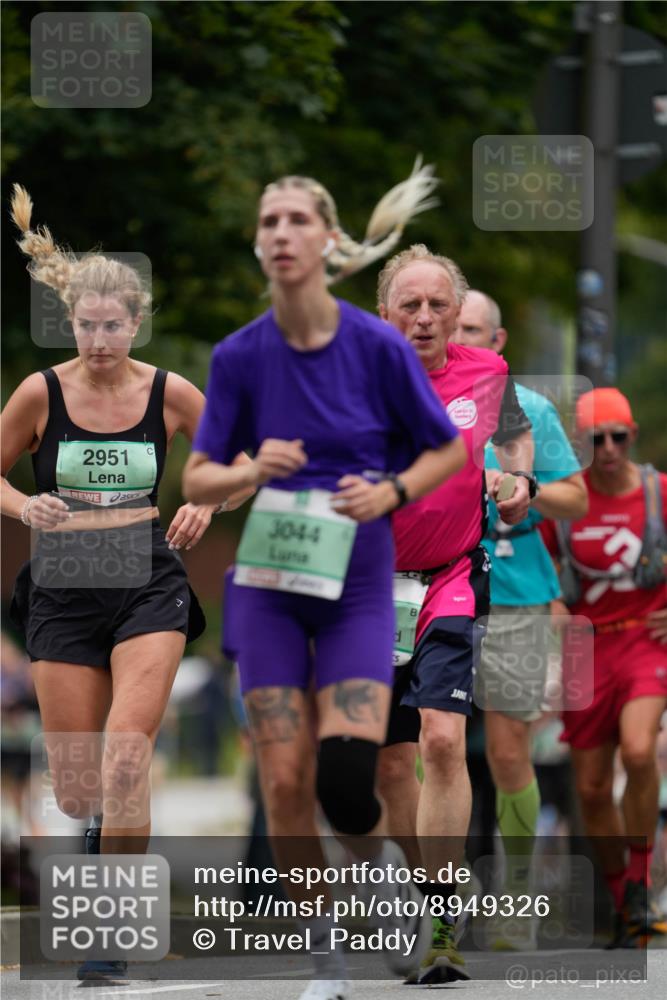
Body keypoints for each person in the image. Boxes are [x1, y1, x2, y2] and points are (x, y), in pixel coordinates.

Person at [183, 169, 466, 1000]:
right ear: (259, 243)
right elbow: (196, 478)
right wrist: (246, 465)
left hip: (357, 585)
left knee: (348, 776)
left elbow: (442, 449)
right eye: (266, 218)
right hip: (271, 583)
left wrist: (392, 491)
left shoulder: (374, 347)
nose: (279, 231)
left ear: (325, 241)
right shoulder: (239, 356)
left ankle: (379, 879)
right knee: (281, 777)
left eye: (296, 218)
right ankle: (325, 961)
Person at [1, 185, 249, 984]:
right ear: (69, 322)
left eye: (114, 324)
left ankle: (107, 929)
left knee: (125, 759)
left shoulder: (169, 392)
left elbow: (236, 471)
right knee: (78, 785)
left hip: (147, 576)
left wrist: (203, 505)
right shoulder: (41, 392)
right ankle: (94, 834)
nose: (100, 338)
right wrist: (23, 501)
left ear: (135, 324)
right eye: (86, 324)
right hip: (64, 581)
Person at [374, 245, 535, 984]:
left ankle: (440, 922)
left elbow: (509, 439)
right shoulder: (352, 379)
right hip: (368, 585)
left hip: (452, 576)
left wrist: (518, 477)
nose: (425, 318)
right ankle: (426, 890)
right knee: (387, 765)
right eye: (410, 305)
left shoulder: (487, 373)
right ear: (385, 314)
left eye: (439, 305)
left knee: (442, 740)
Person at [452, 289, 587, 949]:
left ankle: (515, 896)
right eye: (454, 330)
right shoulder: (421, 404)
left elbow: (575, 497)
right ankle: (437, 894)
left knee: (508, 752)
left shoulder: (527, 409)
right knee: (430, 748)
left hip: (514, 598)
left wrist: (526, 488)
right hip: (430, 593)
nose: (463, 341)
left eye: (474, 330)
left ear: (498, 341)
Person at [540, 387, 667, 947]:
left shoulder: (659, 492)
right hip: (583, 649)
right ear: (580, 444)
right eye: (596, 439)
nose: (608, 447)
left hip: (644, 638)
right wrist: (558, 614)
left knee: (640, 750)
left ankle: (639, 882)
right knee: (590, 788)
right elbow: (543, 575)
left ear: (631, 436)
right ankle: (625, 905)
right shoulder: (567, 500)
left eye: (618, 436)